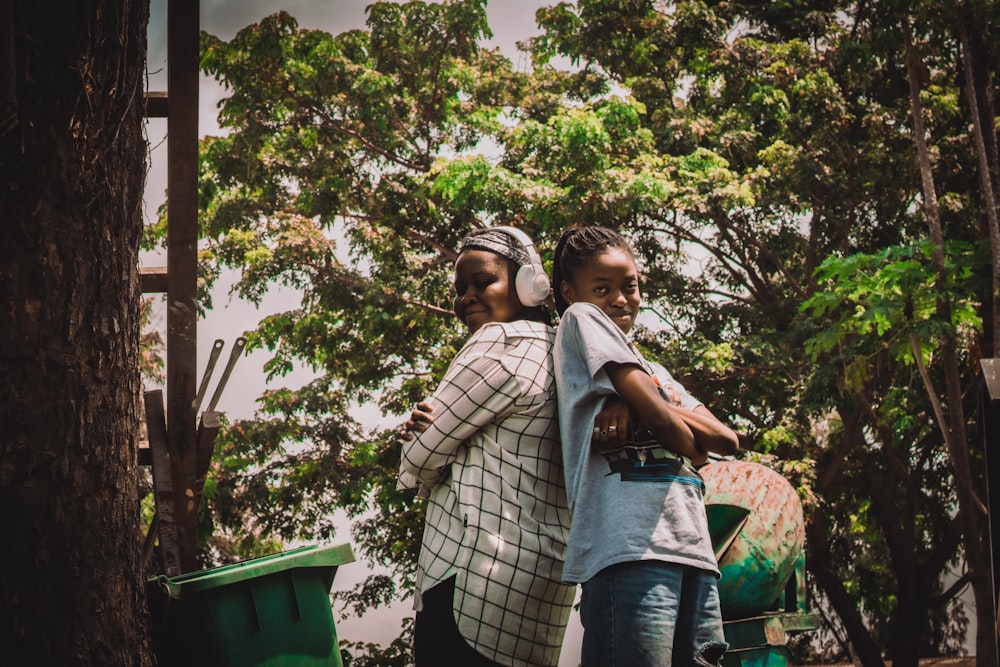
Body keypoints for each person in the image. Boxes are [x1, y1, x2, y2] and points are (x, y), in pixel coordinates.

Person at [551, 224, 739, 667]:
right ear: (568, 291)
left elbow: (725, 441)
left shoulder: (653, 369)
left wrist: (640, 405)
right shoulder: (579, 319)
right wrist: (656, 414)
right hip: (628, 548)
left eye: (629, 286)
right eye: (602, 288)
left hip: (693, 549)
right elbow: (681, 437)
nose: (620, 299)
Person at [397, 226, 575, 667]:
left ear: (528, 285)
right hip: (543, 592)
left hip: (472, 584)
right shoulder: (563, 351)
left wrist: (422, 449)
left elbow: (418, 458)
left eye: (483, 282)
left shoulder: (501, 341)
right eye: (460, 289)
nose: (467, 298)